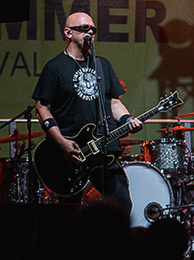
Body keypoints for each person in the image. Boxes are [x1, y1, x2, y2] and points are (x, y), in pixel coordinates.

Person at [32, 12, 143, 211]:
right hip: (71, 153)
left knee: (122, 205)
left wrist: (127, 119)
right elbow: (41, 108)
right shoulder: (55, 67)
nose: (90, 32)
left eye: (93, 29)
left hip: (104, 149)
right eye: (84, 28)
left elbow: (113, 102)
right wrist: (61, 142)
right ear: (68, 33)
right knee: (69, 212)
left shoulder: (102, 65)